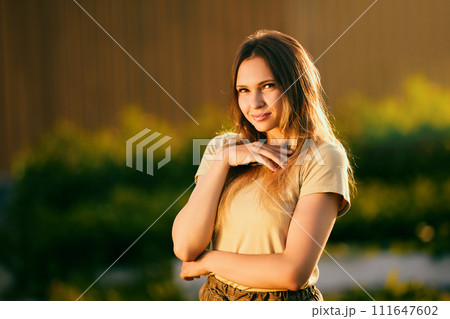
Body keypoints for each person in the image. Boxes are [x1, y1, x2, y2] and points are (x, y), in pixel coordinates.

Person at [171, 30, 355, 301]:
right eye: (244, 90)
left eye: (267, 86)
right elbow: (186, 247)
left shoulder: (323, 156)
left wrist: (209, 262)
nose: (254, 103)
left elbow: (293, 272)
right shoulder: (223, 148)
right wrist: (224, 161)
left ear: (296, 85)